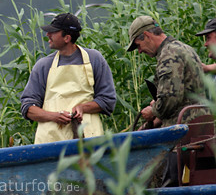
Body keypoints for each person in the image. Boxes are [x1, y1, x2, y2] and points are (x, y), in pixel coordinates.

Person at [127, 15, 207, 187]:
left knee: (171, 185)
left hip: (181, 134)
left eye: (138, 46)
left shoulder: (168, 56)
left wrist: (153, 111)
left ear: (147, 35)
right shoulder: (185, 48)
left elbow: (170, 100)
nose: (139, 51)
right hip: (201, 129)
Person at [20, 13, 116, 144]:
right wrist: (54, 116)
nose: (48, 35)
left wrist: (83, 108)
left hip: (89, 139)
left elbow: (108, 100)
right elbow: (28, 108)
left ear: (67, 38)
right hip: (50, 143)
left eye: (53, 32)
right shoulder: (43, 65)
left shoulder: (94, 59)